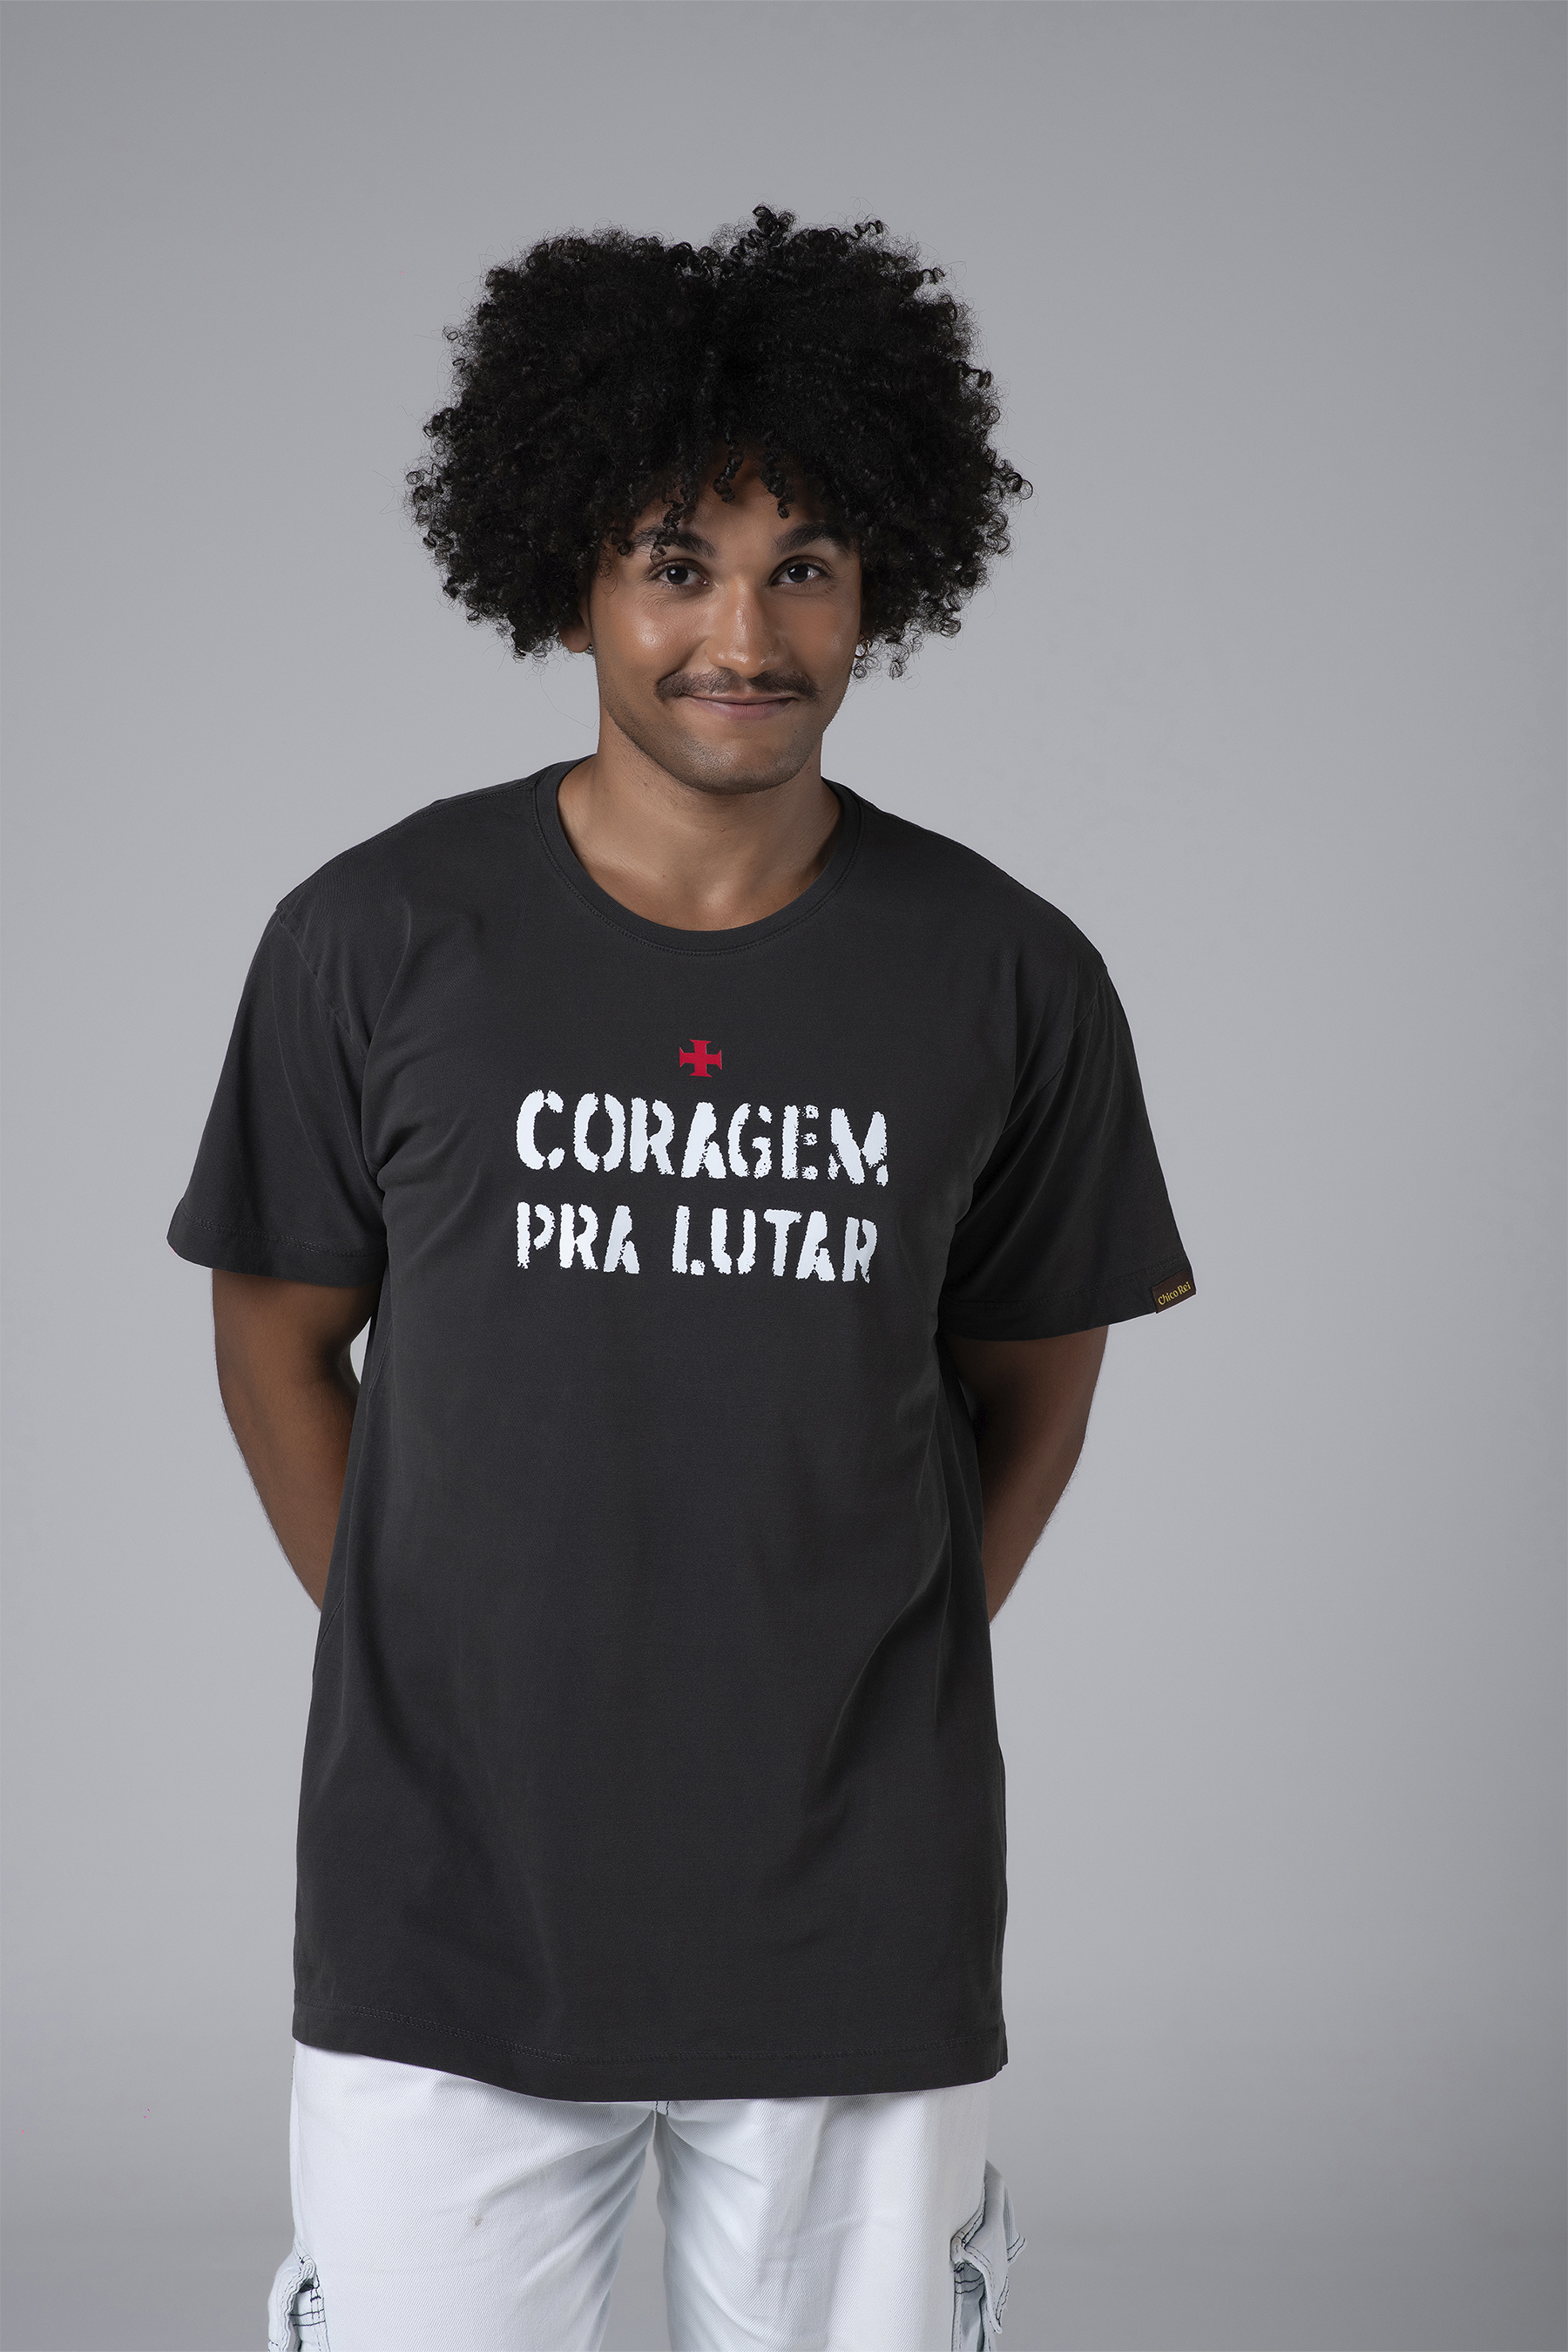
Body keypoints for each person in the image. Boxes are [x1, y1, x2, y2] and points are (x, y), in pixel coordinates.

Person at [169, 206, 1195, 2352]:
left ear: (881, 584)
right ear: (571, 581)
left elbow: (1037, 1377)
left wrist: (847, 1653)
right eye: (677, 562)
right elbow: (275, 1335)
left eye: (802, 565)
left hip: (853, 1905)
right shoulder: (373, 940)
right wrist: (436, 1652)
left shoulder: (1007, 974)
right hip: (446, 1904)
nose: (745, 630)